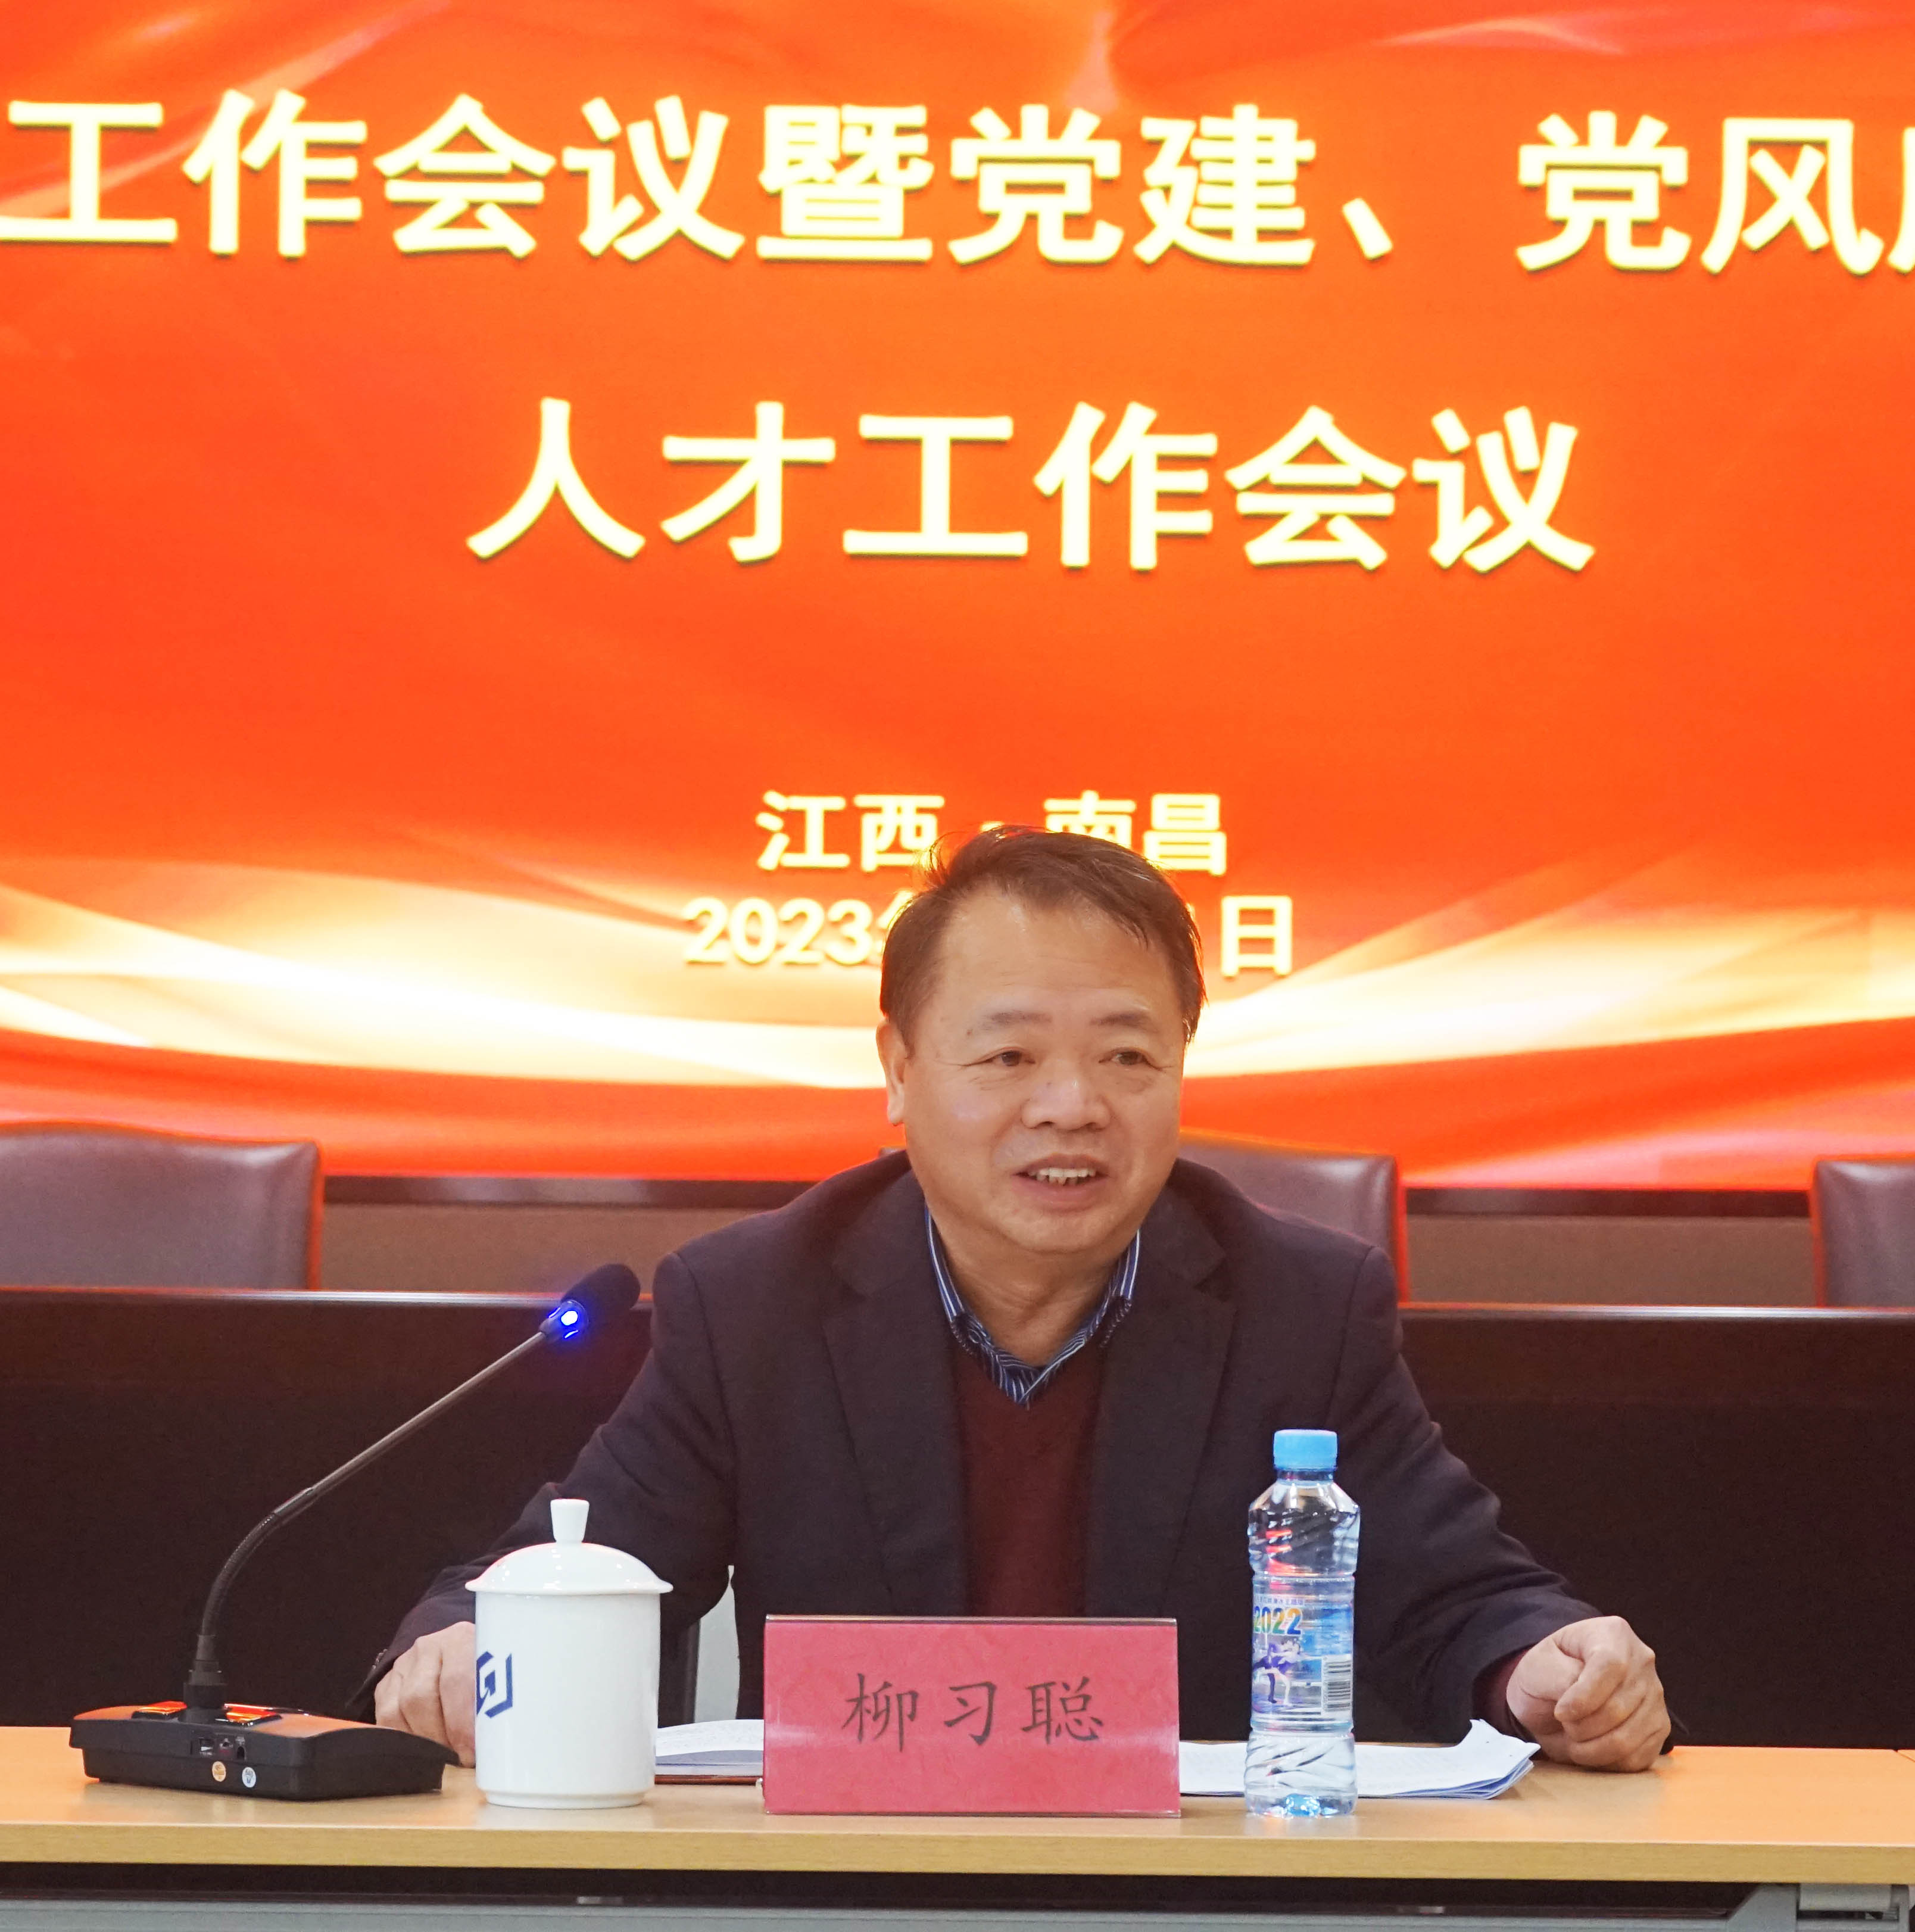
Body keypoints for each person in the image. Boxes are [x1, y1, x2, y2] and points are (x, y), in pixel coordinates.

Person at [373, 828, 1668, 1770]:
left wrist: (1546, 1666)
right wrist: (458, 1646)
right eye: (1007, 1055)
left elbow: (1451, 1597)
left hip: (1192, 1899)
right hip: (856, 1896)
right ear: (899, 1070)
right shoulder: (756, 1300)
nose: (1071, 1105)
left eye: (1127, 1055)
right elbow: (574, 1562)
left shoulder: (1298, 1303)